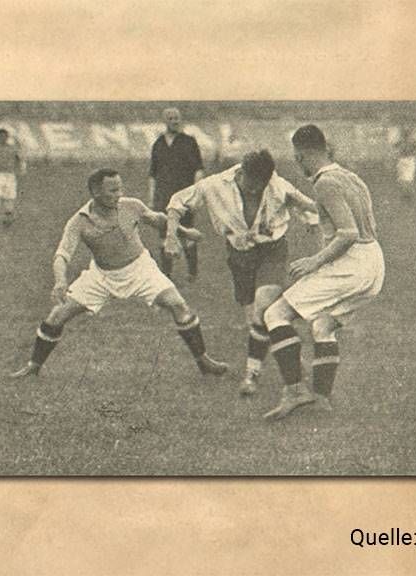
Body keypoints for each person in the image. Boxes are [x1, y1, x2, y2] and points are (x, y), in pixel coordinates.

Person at [11, 168, 228, 378]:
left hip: (141, 269)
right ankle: (33, 366)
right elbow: (62, 255)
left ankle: (204, 361)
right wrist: (60, 281)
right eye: (113, 190)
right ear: (96, 192)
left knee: (178, 304)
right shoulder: (79, 221)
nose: (119, 194)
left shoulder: (131, 206)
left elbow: (158, 219)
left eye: (120, 188)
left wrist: (183, 231)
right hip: (102, 276)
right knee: (57, 315)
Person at [164, 150, 317, 396]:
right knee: (256, 319)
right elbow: (176, 202)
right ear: (241, 173)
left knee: (263, 307)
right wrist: (171, 236)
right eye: (251, 184)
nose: (255, 190)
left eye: (261, 186)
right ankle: (290, 354)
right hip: (239, 255)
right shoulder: (214, 185)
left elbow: (305, 203)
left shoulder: (277, 184)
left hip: (272, 251)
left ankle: (251, 376)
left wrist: (315, 219)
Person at [261, 125, 385, 421]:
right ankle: (322, 400)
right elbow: (364, 228)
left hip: (352, 263)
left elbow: (348, 233)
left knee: (275, 314)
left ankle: (295, 391)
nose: (298, 164)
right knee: (323, 325)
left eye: (297, 158)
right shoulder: (351, 177)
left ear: (301, 156)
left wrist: (314, 262)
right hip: (374, 263)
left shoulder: (324, 183)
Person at [149, 107, 205, 280]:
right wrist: (151, 197)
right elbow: (152, 174)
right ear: (165, 121)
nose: (175, 121)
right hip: (163, 197)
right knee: (164, 234)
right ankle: (166, 274)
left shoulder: (189, 142)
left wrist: (196, 194)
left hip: (184, 196)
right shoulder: (158, 144)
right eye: (171, 118)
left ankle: (192, 272)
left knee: (187, 233)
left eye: (177, 118)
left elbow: (199, 170)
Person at [393, 126, 416, 200]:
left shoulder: (402, 142)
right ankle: (407, 193)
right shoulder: (412, 142)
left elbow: (396, 149)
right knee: (407, 178)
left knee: (404, 178)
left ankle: (406, 193)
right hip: (408, 160)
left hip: (405, 160)